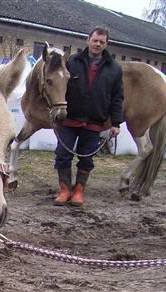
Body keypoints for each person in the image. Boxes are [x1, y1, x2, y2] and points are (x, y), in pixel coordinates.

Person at [54, 27, 124, 206]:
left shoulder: (114, 69)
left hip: (94, 122)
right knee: (63, 154)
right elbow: (59, 86)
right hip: (70, 119)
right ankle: (64, 189)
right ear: (88, 40)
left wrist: (116, 122)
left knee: (86, 158)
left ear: (106, 44)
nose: (98, 44)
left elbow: (117, 98)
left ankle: (78, 191)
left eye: (102, 42)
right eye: (95, 40)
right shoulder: (72, 62)